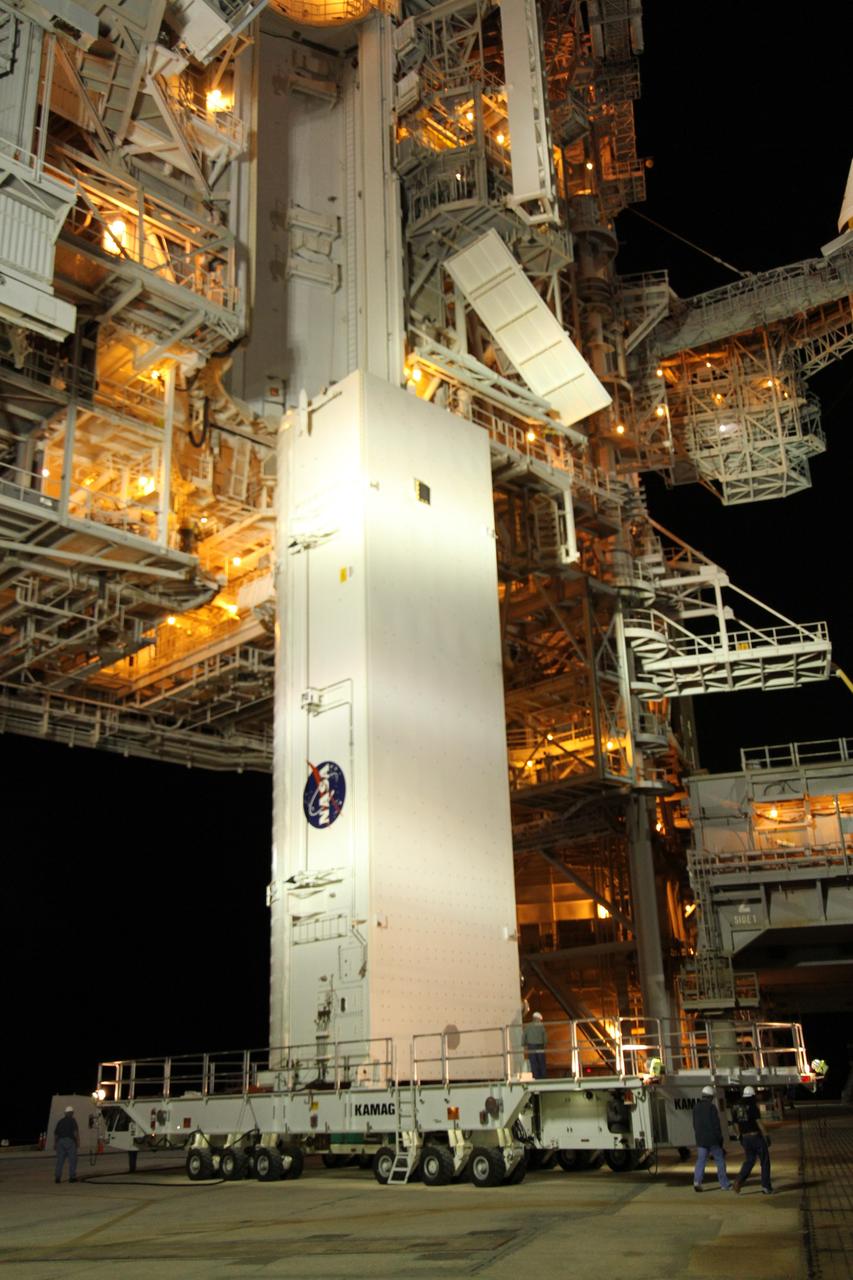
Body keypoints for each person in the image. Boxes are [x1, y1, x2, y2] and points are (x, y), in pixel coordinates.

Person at [732, 1086, 772, 1195]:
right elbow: (759, 1123)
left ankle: (738, 1181)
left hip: (745, 1138)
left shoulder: (736, 1106)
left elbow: (735, 1124)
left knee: (749, 1161)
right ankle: (766, 1186)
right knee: (764, 1161)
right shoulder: (753, 1106)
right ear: (752, 1095)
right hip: (756, 1137)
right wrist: (766, 1136)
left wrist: (738, 1136)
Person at [691, 1085, 732, 1192]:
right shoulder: (711, 1108)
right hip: (713, 1140)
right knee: (720, 1161)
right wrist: (720, 1140)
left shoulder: (696, 1107)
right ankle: (724, 1184)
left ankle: (697, 1182)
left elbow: (695, 1124)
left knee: (701, 1161)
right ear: (710, 1097)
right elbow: (716, 1125)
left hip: (701, 1140)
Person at [54, 1106, 80, 1184]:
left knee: (60, 1161)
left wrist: (55, 1143)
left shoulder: (60, 1121)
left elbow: (56, 1134)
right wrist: (78, 1141)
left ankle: (57, 1178)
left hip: (60, 1142)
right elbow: (75, 1132)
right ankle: (72, 1177)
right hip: (70, 1141)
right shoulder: (72, 1120)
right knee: (72, 1160)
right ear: (71, 1113)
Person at [523, 1012, 547, 1079]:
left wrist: (524, 1044)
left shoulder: (528, 1026)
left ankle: (535, 1076)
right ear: (538, 1018)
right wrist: (545, 1044)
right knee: (541, 1061)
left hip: (531, 1046)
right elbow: (544, 1036)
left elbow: (524, 1035)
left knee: (533, 1062)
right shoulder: (541, 1026)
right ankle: (543, 1076)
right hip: (540, 1045)